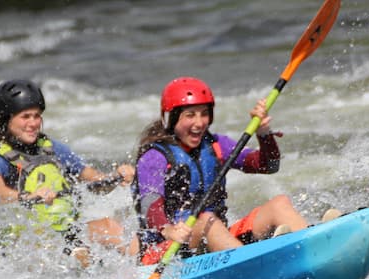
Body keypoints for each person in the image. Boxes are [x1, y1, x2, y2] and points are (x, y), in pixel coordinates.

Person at [133, 77, 339, 265]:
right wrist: (168, 230)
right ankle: (255, 267)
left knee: (279, 204)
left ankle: (318, 252)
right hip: (166, 250)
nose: (199, 122)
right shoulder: (154, 156)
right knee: (207, 220)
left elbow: (268, 166)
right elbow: (150, 205)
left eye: (205, 114)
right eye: (190, 115)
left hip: (214, 242)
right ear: (172, 118)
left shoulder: (216, 145)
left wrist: (264, 134)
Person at [0, 78, 138, 262]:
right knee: (81, 254)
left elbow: (94, 180)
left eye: (37, 116)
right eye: (25, 116)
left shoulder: (53, 148)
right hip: (24, 242)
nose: (33, 123)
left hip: (64, 231)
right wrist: (29, 196)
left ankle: (145, 269)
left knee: (109, 226)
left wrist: (117, 177)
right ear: (6, 119)